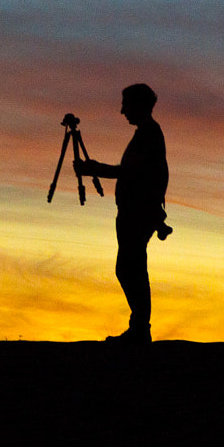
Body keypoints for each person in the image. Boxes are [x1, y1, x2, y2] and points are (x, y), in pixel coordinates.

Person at [74, 83, 169, 343]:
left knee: (130, 268)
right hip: (134, 211)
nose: (122, 111)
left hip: (138, 213)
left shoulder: (149, 134)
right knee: (130, 267)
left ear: (138, 105)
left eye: (126, 105)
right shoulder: (147, 134)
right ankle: (139, 327)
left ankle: (140, 329)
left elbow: (130, 172)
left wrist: (94, 168)